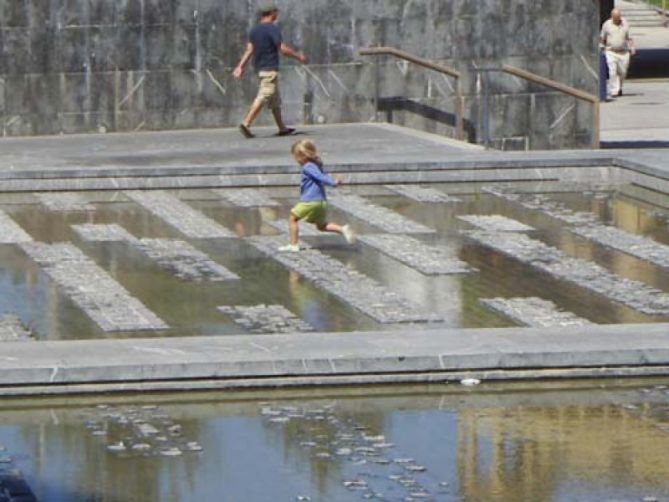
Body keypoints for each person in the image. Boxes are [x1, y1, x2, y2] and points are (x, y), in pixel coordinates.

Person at [233, 3, 307, 138]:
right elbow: (283, 49)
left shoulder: (254, 30)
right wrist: (299, 57)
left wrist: (240, 66)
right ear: (272, 12)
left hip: (260, 68)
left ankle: (282, 128)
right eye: (276, 12)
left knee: (275, 101)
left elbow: (250, 50)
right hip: (269, 68)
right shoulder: (272, 29)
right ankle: (246, 123)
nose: (277, 14)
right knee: (264, 95)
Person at [279, 139, 356, 252]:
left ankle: (293, 244)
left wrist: (333, 182)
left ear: (302, 156)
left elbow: (320, 177)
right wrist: (332, 180)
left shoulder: (308, 167)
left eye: (295, 157)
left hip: (310, 201)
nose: (296, 160)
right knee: (321, 226)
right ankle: (342, 229)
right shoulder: (316, 165)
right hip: (321, 202)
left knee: (292, 218)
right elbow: (322, 175)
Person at [600, 9, 636, 100]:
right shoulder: (607, 25)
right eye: (615, 18)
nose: (617, 19)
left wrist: (632, 47)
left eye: (618, 17)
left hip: (623, 52)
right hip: (611, 51)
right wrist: (601, 46)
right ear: (612, 16)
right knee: (612, 71)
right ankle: (614, 90)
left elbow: (629, 38)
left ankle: (619, 88)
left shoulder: (625, 24)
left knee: (622, 72)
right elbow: (602, 37)